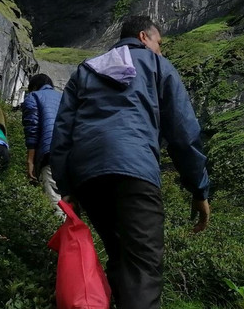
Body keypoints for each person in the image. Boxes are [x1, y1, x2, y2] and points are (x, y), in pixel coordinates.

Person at [51, 16, 210, 309]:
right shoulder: (156, 65)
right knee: (143, 268)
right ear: (143, 37)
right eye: (159, 43)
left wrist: (67, 188)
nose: (161, 50)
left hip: (88, 178)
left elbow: (61, 134)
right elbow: (183, 132)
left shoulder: (84, 71)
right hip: (135, 171)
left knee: (122, 257)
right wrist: (199, 188)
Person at [22, 72, 63, 214]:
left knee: (54, 201)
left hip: (50, 153)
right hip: (74, 154)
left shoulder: (33, 97)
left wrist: (30, 161)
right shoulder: (65, 97)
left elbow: (32, 130)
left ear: (33, 87)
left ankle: (59, 234)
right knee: (70, 202)